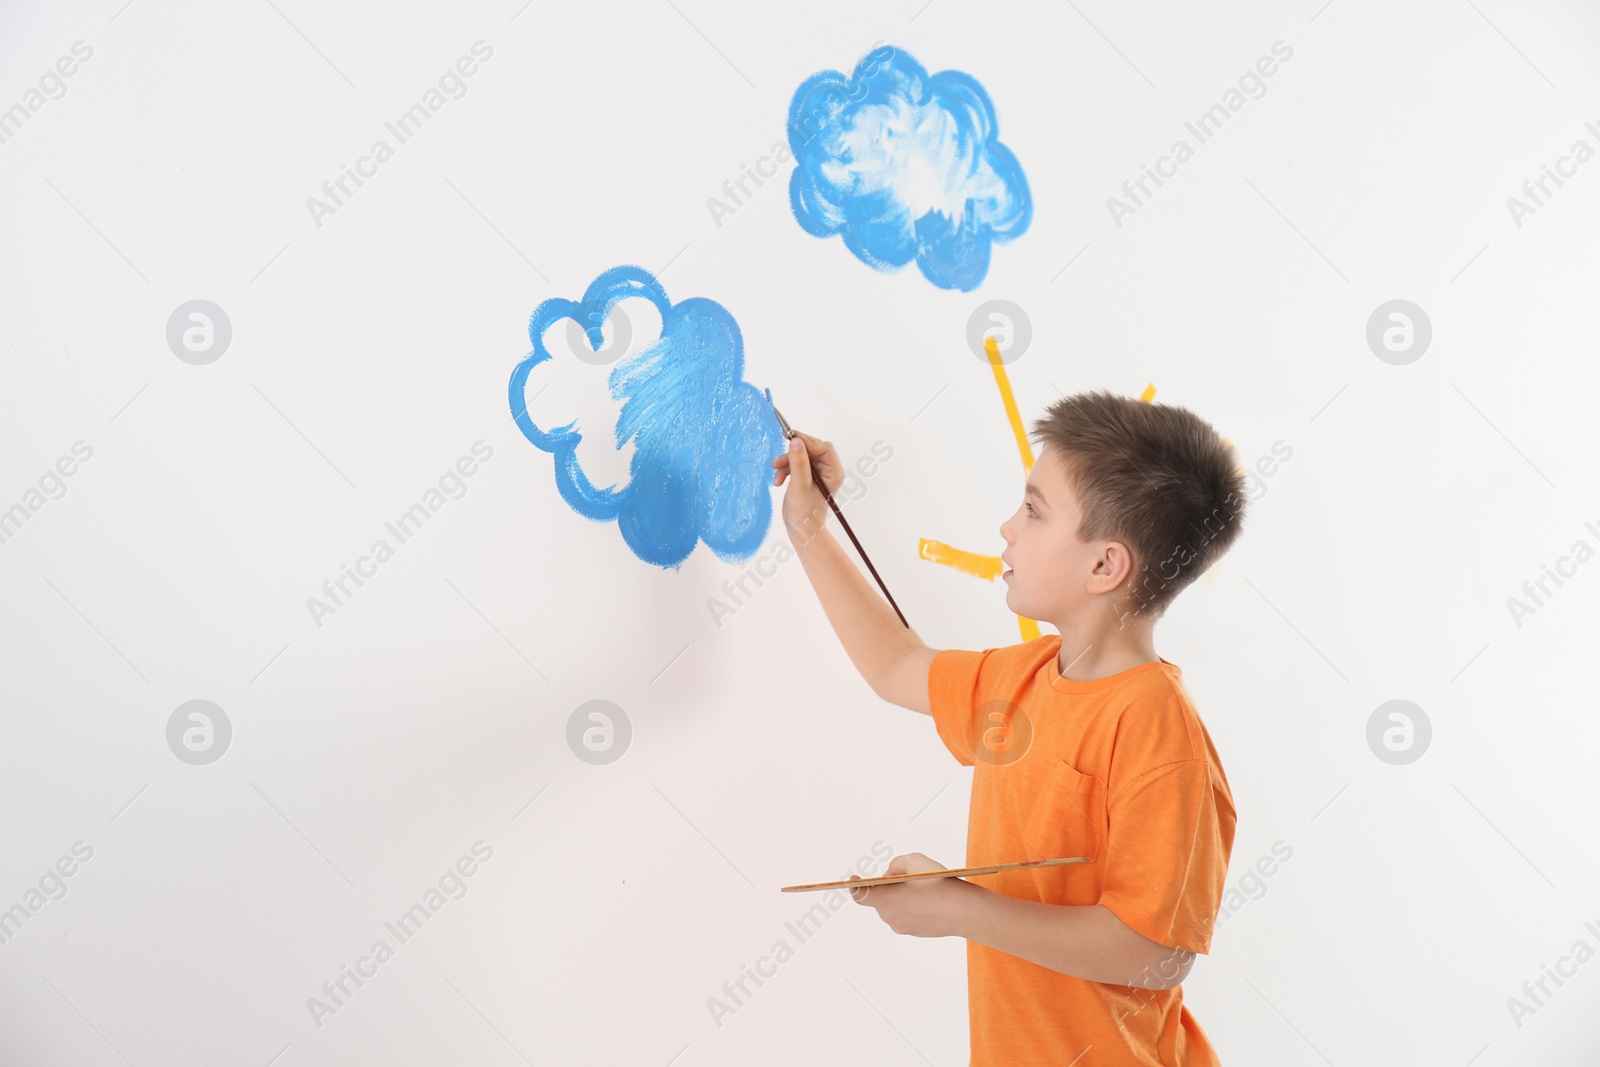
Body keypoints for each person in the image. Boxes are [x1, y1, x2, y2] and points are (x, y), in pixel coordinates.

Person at [771, 389, 1249, 1065]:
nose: (1007, 528)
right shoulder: (1022, 680)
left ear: (1105, 565)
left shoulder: (1157, 730)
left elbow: (1157, 954)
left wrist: (960, 911)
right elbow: (896, 662)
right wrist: (809, 527)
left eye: (1033, 510)